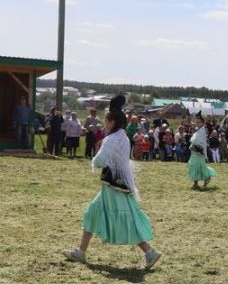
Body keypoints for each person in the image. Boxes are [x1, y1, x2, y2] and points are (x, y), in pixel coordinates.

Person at [62, 95, 161, 269]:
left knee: (127, 220)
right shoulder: (122, 137)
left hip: (114, 187)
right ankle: (81, 252)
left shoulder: (111, 139)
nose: (105, 124)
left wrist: (97, 153)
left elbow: (99, 161)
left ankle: (149, 252)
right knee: (92, 212)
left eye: (107, 121)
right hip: (115, 185)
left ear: (113, 122)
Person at [188, 112, 217, 190]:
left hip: (199, 153)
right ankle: (195, 183)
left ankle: (207, 178)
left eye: (199, 122)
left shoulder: (203, 130)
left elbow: (203, 143)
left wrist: (204, 154)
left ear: (202, 122)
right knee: (193, 166)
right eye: (196, 122)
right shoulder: (198, 129)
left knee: (200, 167)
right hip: (194, 152)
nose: (197, 123)